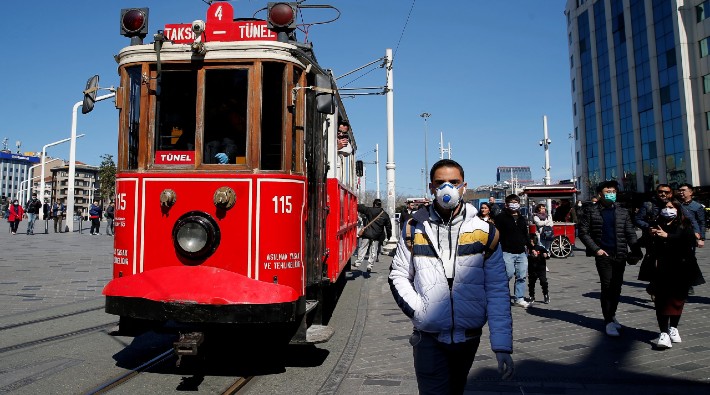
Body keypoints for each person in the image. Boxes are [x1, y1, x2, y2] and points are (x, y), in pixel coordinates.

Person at [389, 159, 514, 394]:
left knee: (456, 389)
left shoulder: (485, 232)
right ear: (431, 187)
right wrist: (420, 311)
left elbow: (497, 287)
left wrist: (502, 346)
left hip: (468, 337)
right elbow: (398, 275)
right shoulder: (414, 227)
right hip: (429, 337)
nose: (447, 188)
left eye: (454, 182)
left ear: (464, 186)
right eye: (440, 183)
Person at [578, 180, 639, 337]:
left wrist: (636, 249)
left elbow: (630, 233)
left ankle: (612, 315)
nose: (611, 193)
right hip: (603, 255)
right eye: (608, 191)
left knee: (617, 287)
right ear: (600, 194)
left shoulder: (622, 211)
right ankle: (608, 321)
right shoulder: (591, 211)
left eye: (613, 191)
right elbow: (583, 232)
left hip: (620, 254)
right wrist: (596, 249)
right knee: (607, 286)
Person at [646, 199, 705, 349]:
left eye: (671, 207)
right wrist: (650, 235)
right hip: (661, 268)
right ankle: (663, 332)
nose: (668, 210)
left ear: (678, 210)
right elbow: (645, 243)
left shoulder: (684, 225)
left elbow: (689, 242)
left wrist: (668, 237)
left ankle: (673, 328)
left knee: (678, 300)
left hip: (681, 268)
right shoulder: (656, 224)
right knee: (661, 301)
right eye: (665, 207)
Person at [493, 194, 533, 308]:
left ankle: (519, 298)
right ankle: (502, 297)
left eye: (516, 202)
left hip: (521, 252)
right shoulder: (501, 217)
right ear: (507, 204)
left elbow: (525, 235)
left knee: (522, 276)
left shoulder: (522, 218)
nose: (514, 204)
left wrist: (531, 247)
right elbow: (496, 234)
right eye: (512, 202)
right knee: (507, 274)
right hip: (507, 252)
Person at [355, 198, 392, 272]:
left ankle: (358, 263)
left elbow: (359, 207)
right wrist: (389, 236)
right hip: (377, 236)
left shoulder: (369, 210)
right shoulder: (384, 214)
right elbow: (388, 227)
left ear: (374, 204)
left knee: (363, 248)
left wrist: (358, 204)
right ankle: (370, 265)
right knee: (373, 251)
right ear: (380, 205)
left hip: (367, 234)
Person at [677, 183, 706, 249]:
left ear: (690, 192)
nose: (681, 192)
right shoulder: (676, 204)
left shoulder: (697, 206)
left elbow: (702, 222)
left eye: (683, 190)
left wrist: (702, 238)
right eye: (680, 190)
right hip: (677, 234)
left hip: (691, 235)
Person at [528, 234, 550, 304]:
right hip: (532, 269)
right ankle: (531, 296)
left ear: (532, 240)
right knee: (531, 283)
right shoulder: (528, 249)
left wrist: (546, 255)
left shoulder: (540, 248)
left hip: (541, 268)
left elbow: (547, 254)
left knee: (543, 282)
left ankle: (546, 295)